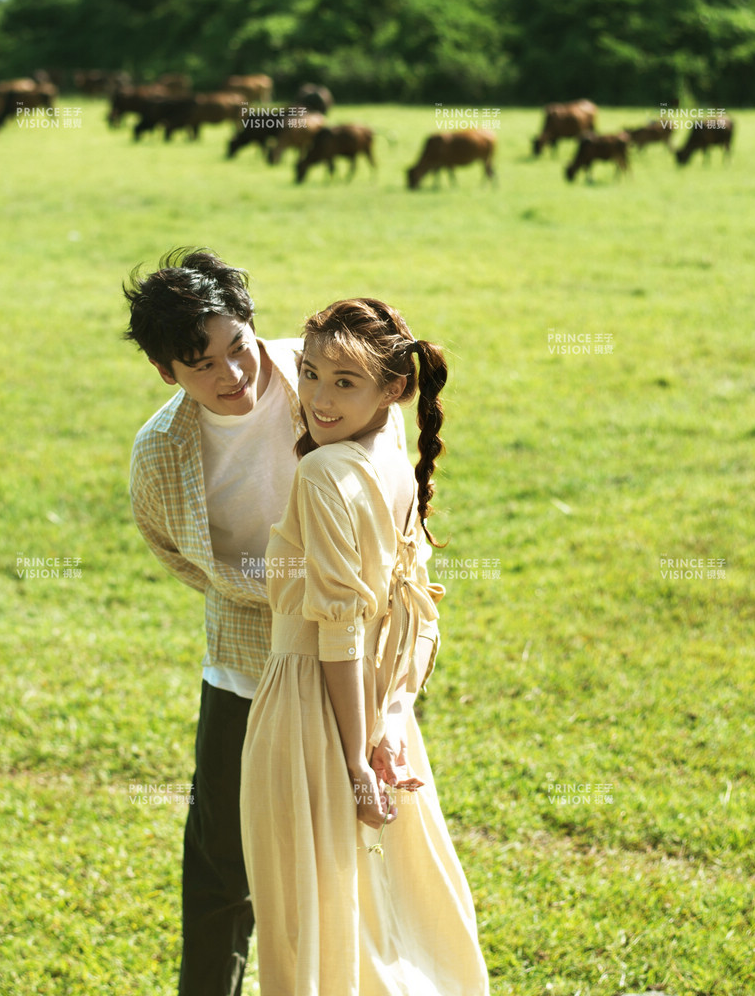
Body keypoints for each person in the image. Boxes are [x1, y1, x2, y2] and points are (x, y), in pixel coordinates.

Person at [240, 297, 489, 995]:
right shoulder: (392, 451)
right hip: (378, 710)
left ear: (393, 388)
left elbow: (339, 632)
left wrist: (356, 763)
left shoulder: (324, 474)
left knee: (309, 925)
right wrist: (390, 720)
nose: (319, 398)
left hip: (310, 713)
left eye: (344, 382)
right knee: (380, 916)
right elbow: (415, 607)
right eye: (310, 373)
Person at [122, 248, 305, 995]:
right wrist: (271, 593)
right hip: (242, 663)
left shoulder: (323, 378)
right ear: (167, 372)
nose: (233, 375)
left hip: (355, 659)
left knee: (350, 855)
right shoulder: (160, 452)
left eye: (239, 346)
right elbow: (176, 551)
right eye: (203, 366)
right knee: (222, 870)